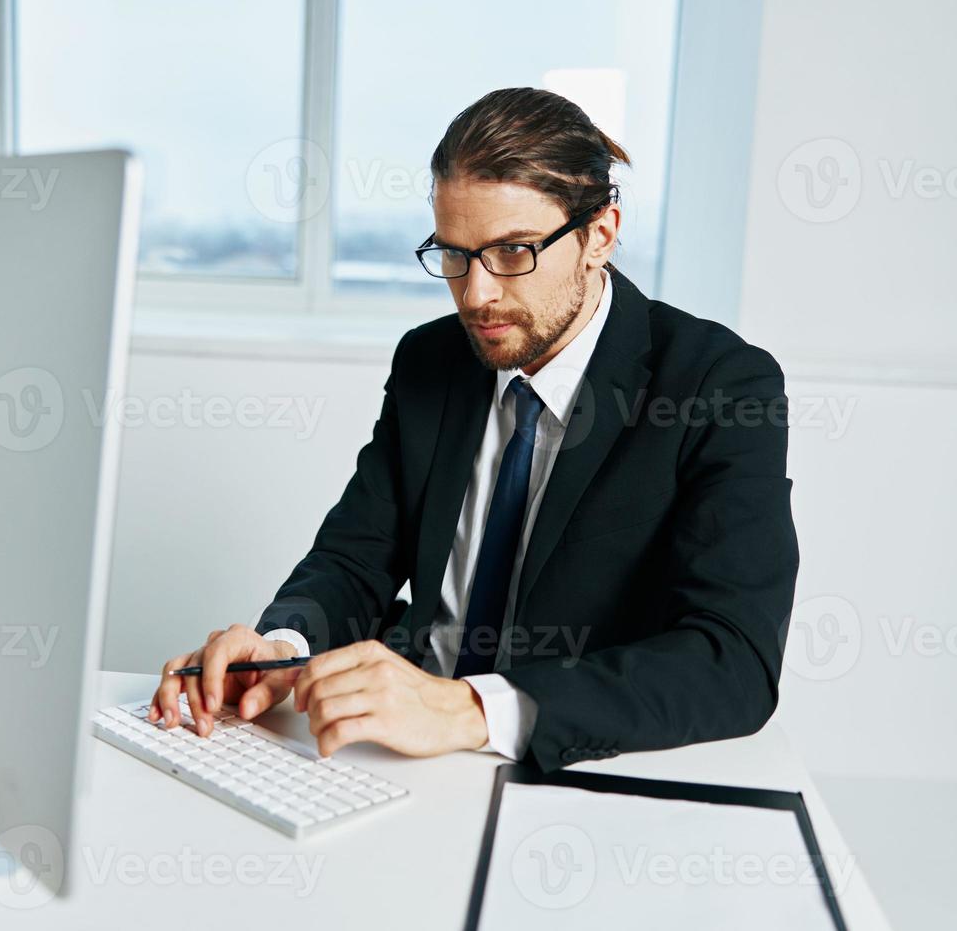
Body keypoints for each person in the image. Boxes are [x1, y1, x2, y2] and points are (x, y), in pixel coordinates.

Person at [149, 87, 799, 772]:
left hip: (574, 765)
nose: (476, 294)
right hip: (399, 754)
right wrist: (281, 648)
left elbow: (734, 659)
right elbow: (354, 559)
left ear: (599, 235)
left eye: (513, 252)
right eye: (454, 254)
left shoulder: (717, 385)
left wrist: (468, 709)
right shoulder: (431, 361)